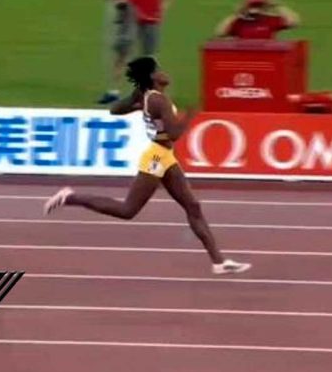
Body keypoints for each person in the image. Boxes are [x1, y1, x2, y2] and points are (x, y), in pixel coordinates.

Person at [47, 57, 251, 275]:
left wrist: (137, 103)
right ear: (152, 76)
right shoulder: (158, 101)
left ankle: (218, 261)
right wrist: (189, 115)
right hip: (156, 158)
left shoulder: (147, 96)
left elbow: (115, 109)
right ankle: (70, 197)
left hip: (164, 156)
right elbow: (174, 133)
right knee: (127, 210)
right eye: (159, 69)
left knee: (193, 206)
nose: (164, 73)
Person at [97, 0, 175, 105]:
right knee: (122, 52)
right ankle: (113, 91)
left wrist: (164, 5)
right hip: (130, 14)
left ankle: (150, 92)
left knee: (148, 56)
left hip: (151, 16)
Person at [216, 0, 300, 40]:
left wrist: (276, 5)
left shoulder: (270, 20)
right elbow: (220, 33)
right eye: (251, 5)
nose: (255, 9)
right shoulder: (238, 22)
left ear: (265, 7)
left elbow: (294, 22)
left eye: (259, 5)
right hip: (244, 56)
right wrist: (236, 14)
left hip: (267, 55)